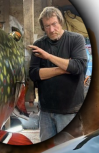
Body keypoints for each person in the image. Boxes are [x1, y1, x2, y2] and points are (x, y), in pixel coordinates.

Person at [28, 7, 87, 141]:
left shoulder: (76, 39)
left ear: (60, 22)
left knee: (69, 152)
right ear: (43, 27)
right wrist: (63, 68)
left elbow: (78, 67)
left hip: (70, 110)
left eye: (54, 24)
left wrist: (48, 57)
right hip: (46, 111)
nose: (51, 29)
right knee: (47, 152)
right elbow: (34, 74)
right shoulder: (39, 44)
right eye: (47, 26)